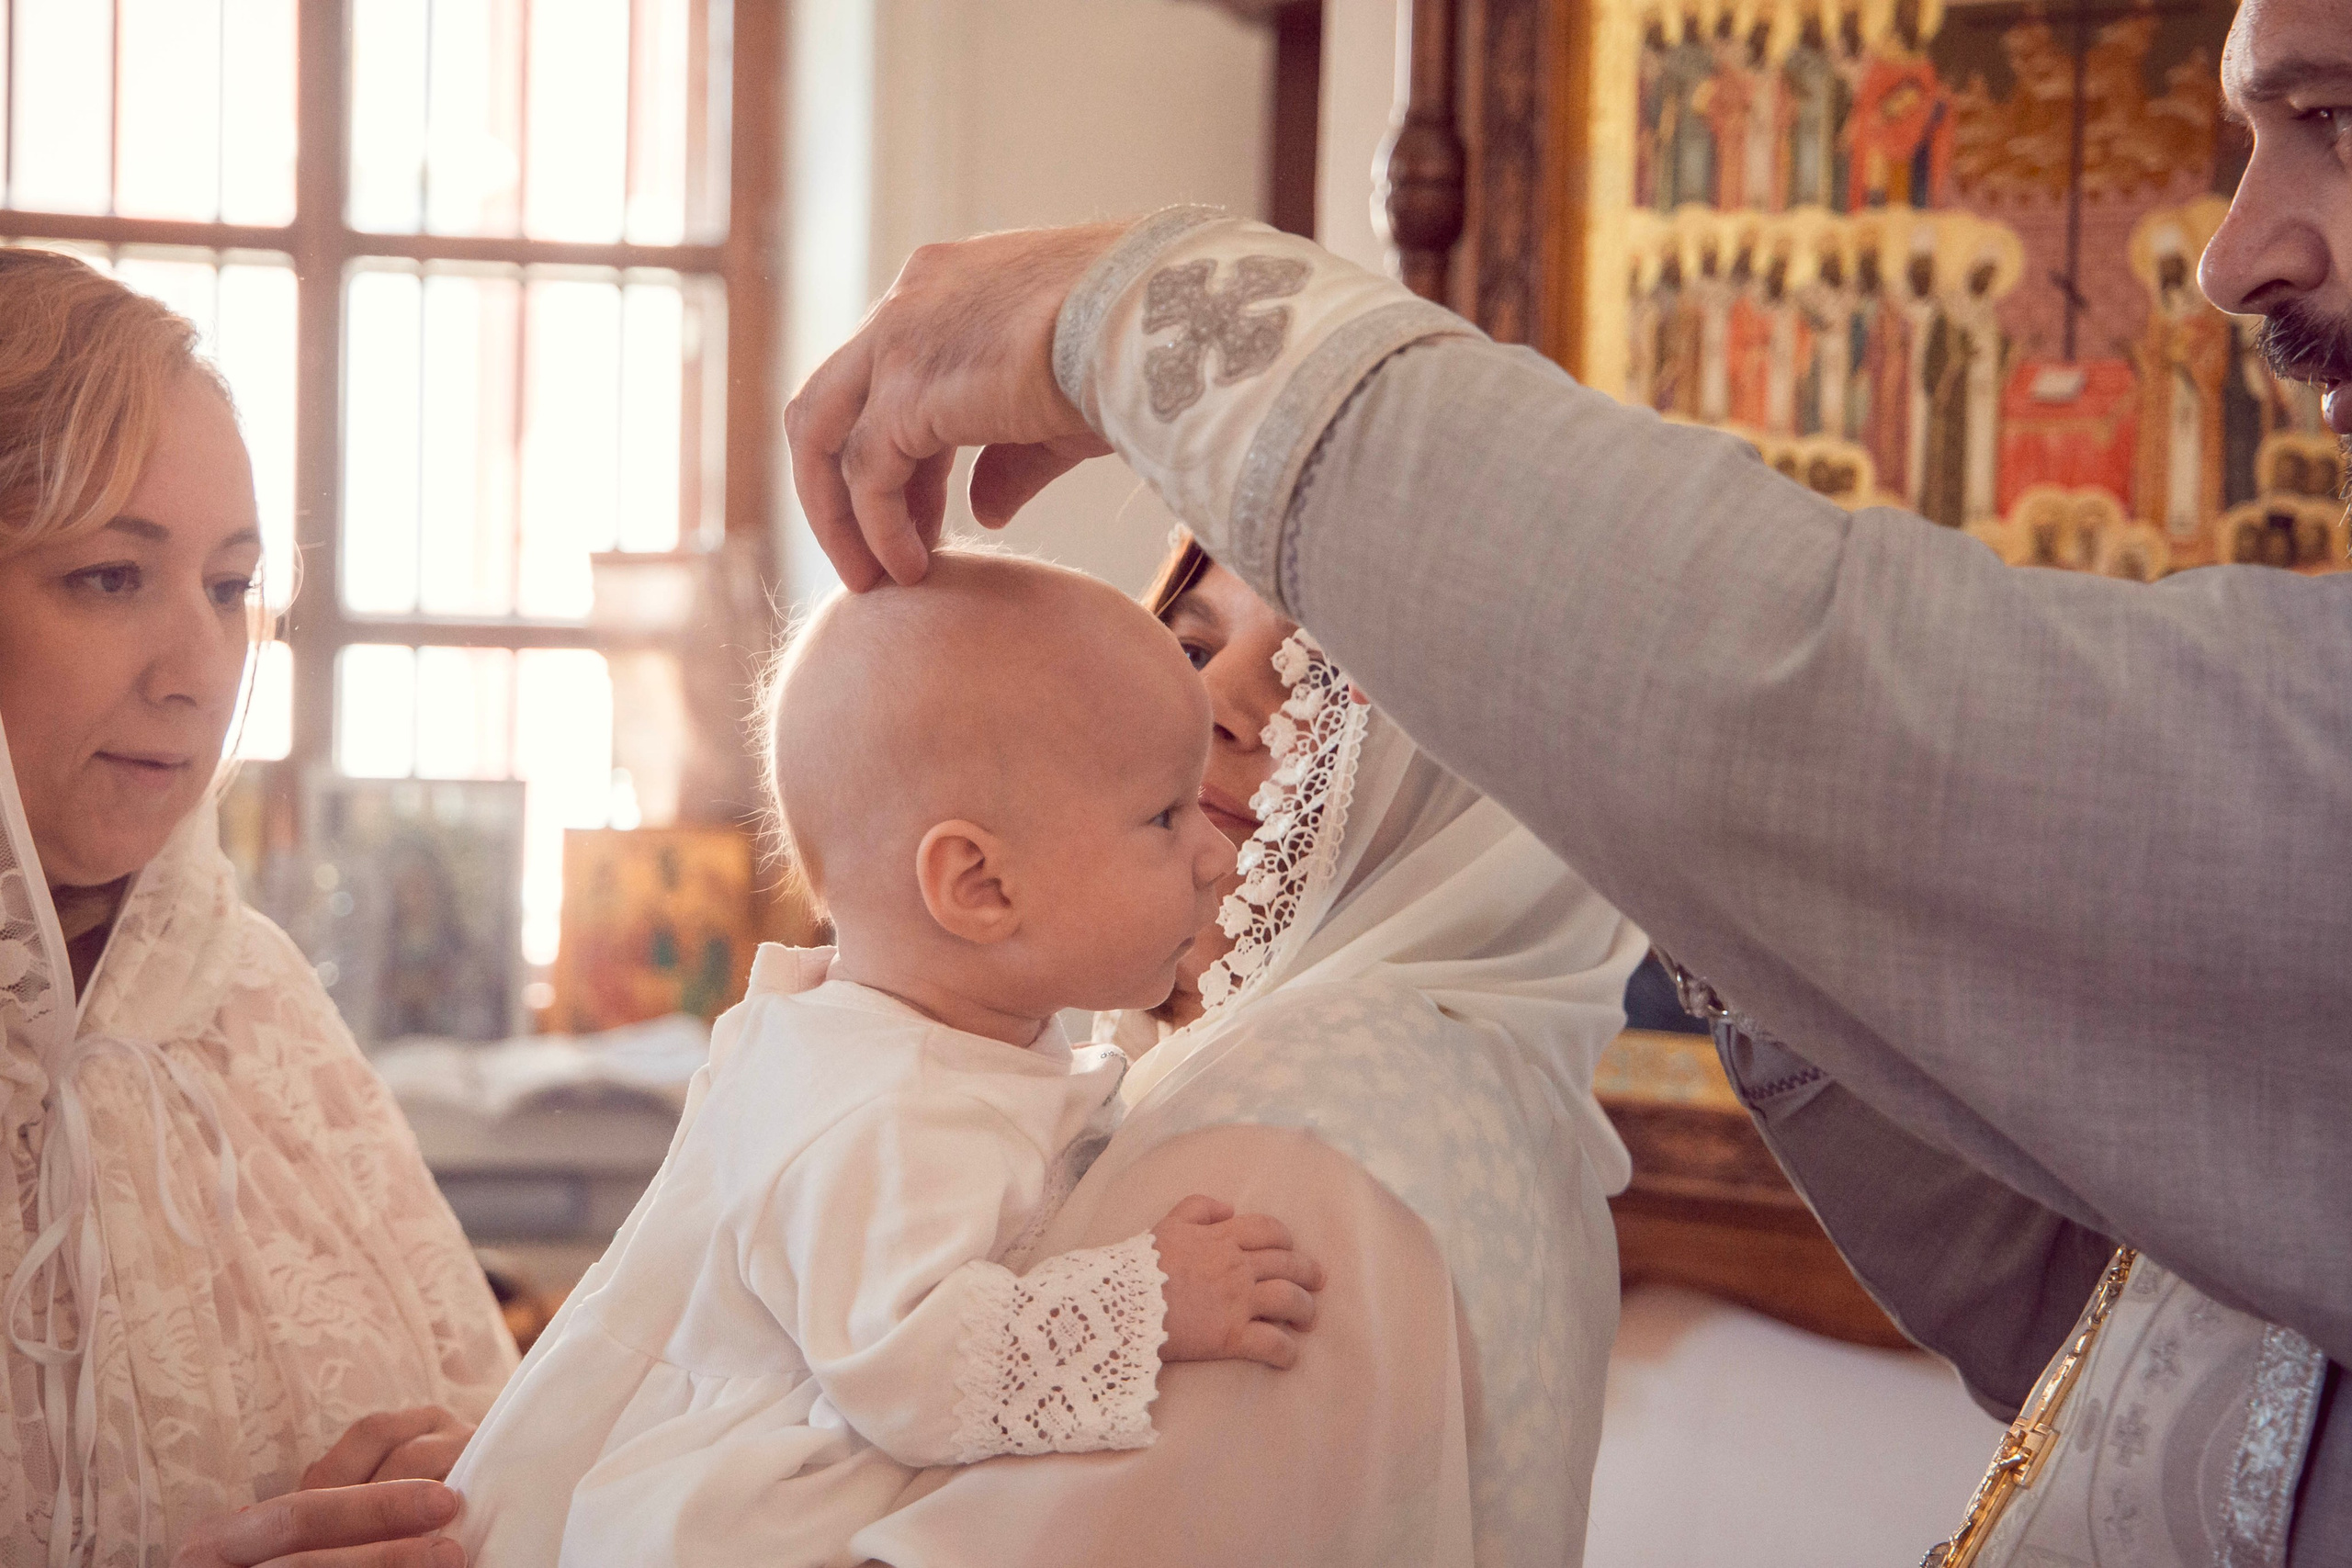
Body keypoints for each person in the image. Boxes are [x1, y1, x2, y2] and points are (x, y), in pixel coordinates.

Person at [777, 0, 2352, 1556]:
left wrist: (1139, 312)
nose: (2232, 258)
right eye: (1190, 643)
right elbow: (2136, 1329)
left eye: (2338, 121)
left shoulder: (1319, 1120)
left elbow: (1817, 689)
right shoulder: (1273, 1082)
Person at [446, 553, 1324, 1566]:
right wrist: (1152, 1301)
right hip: (717, 1518)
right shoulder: (885, 1106)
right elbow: (912, 1370)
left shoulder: (935, 1039)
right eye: (1165, 817)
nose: (1216, 854)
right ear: (980, 885)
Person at [836, 534, 1644, 1566]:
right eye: (1188, 648)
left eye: (1316, 676)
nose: (1209, 699)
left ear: (1463, 790)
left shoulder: (1318, 1105)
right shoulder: (1464, 1094)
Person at [0, 252, 514, 1564]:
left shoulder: (249, 992)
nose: (198, 671)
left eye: (228, 590)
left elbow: (480, 1415)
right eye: (110, 576)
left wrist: (473, 1493)